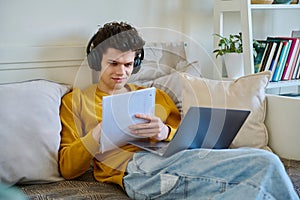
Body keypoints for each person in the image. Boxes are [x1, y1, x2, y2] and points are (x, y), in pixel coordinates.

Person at [59, 21, 299, 199]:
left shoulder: (154, 97)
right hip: (136, 170)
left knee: (254, 187)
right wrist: (99, 134)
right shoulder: (77, 101)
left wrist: (164, 131)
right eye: (113, 63)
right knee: (265, 162)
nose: (121, 71)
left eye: (128, 64)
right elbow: (68, 168)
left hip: (177, 159)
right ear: (96, 61)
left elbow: (183, 138)